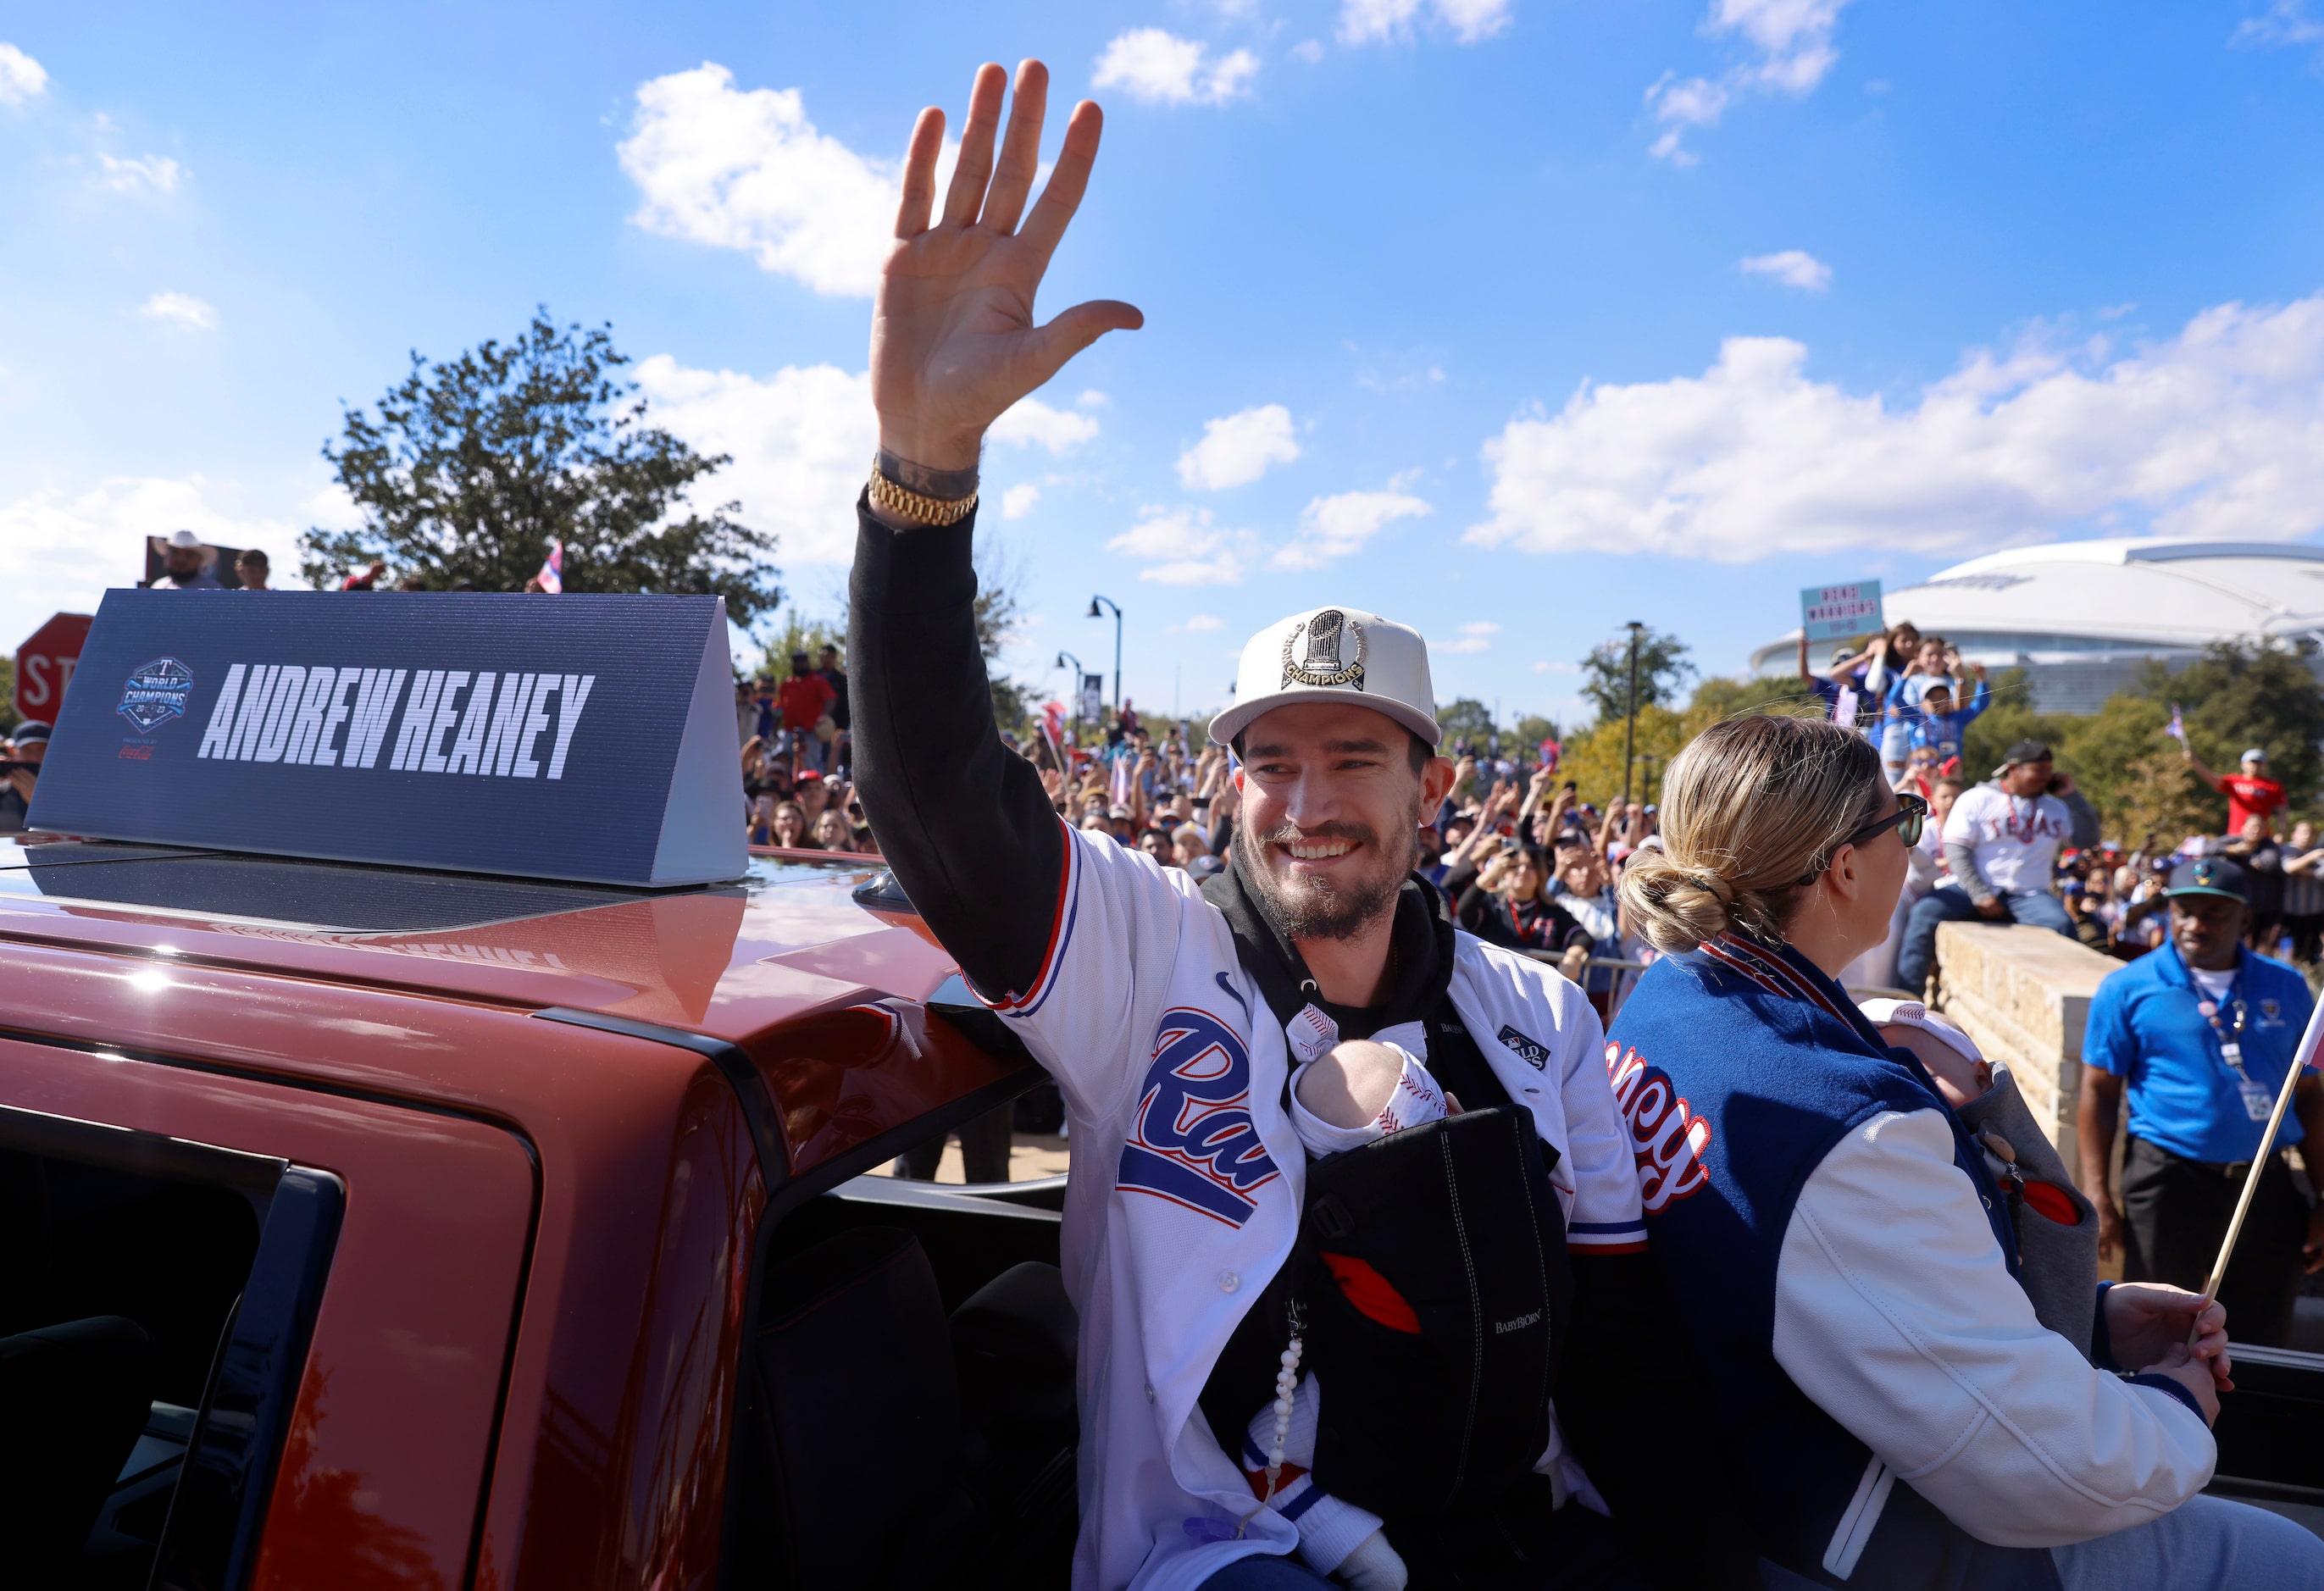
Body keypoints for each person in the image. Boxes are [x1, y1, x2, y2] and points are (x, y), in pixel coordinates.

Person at [847, 60, 1750, 1591]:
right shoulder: (1146, 953)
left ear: (1433, 789)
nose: (1308, 799)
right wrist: (921, 480)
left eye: (1353, 755)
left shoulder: (1534, 1011)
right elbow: (937, 793)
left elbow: (1616, 1343)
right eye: (1268, 758)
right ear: (1227, 779)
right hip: (1218, 1558)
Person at [1610, 712, 2321, 1590]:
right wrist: (2175, 1409)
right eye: (1902, 819)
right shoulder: (1841, 1121)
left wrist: (2091, 1322)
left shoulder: (1670, 997)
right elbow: (2041, 1467)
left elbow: (1836, 1290)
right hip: (1840, 1530)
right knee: (2291, 1561)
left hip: (1718, 1487)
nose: (1916, 842)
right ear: (1842, 866)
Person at [2078, 856, 2324, 1349]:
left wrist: (2322, 1196)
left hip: (2265, 1185)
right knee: (2158, 1334)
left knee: (2260, 1335)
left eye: (2213, 913)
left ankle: (2245, 1427)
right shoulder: (2128, 987)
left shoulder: (2288, 986)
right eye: (2184, 910)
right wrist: (2099, 1195)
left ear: (2245, 919)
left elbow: (2313, 1097)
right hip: (2168, 1183)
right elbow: (2099, 1093)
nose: (2195, 925)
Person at [1894, 740, 2076, 993]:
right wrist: (1980, 893)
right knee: (1924, 914)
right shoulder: (1978, 798)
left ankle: (2070, 1007)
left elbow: (2086, 839)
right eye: (2039, 770)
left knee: (2062, 925)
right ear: (2014, 770)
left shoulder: (2056, 807)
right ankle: (1907, 1000)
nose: (2047, 777)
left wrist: (2071, 795)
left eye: (2049, 770)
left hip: (2029, 895)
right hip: (1969, 889)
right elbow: (1957, 851)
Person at [2183, 746, 2286, 836]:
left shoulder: (2273, 786)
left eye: (2259, 763)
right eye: (2252, 762)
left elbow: (2282, 811)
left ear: (2265, 766)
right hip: (2237, 834)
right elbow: (2211, 778)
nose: (2255, 765)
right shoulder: (2234, 781)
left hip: (2262, 836)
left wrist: (2281, 833)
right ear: (2243, 764)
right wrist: (2195, 761)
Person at [777, 653, 837, 776]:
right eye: (797, 661)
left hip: (810, 732)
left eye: (802, 661)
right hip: (789, 732)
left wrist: (823, 717)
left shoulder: (817, 680)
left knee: (811, 767)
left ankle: (814, 793)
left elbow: (831, 699)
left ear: (807, 663)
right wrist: (775, 728)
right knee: (786, 765)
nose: (800, 664)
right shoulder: (787, 683)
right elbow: (780, 707)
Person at [2283, 819, 2324, 965]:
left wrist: (2304, 869)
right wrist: (2311, 858)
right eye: (2303, 832)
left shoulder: (2320, 850)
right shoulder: (2287, 849)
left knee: (2312, 951)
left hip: (2315, 911)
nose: (2307, 836)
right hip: (2290, 912)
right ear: (2294, 834)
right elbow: (2289, 867)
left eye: (2310, 833)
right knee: (2289, 952)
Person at [0, 721, 47, 834]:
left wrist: (40, 803)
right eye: (27, 749)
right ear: (12, 751)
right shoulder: (3, 790)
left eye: (42, 749)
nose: (34, 758)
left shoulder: (66, 791)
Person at [151, 529, 223, 590]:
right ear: (166, 555)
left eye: (189, 555)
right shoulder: (158, 587)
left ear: (199, 560)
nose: (180, 559)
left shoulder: (212, 590)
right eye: (175, 553)